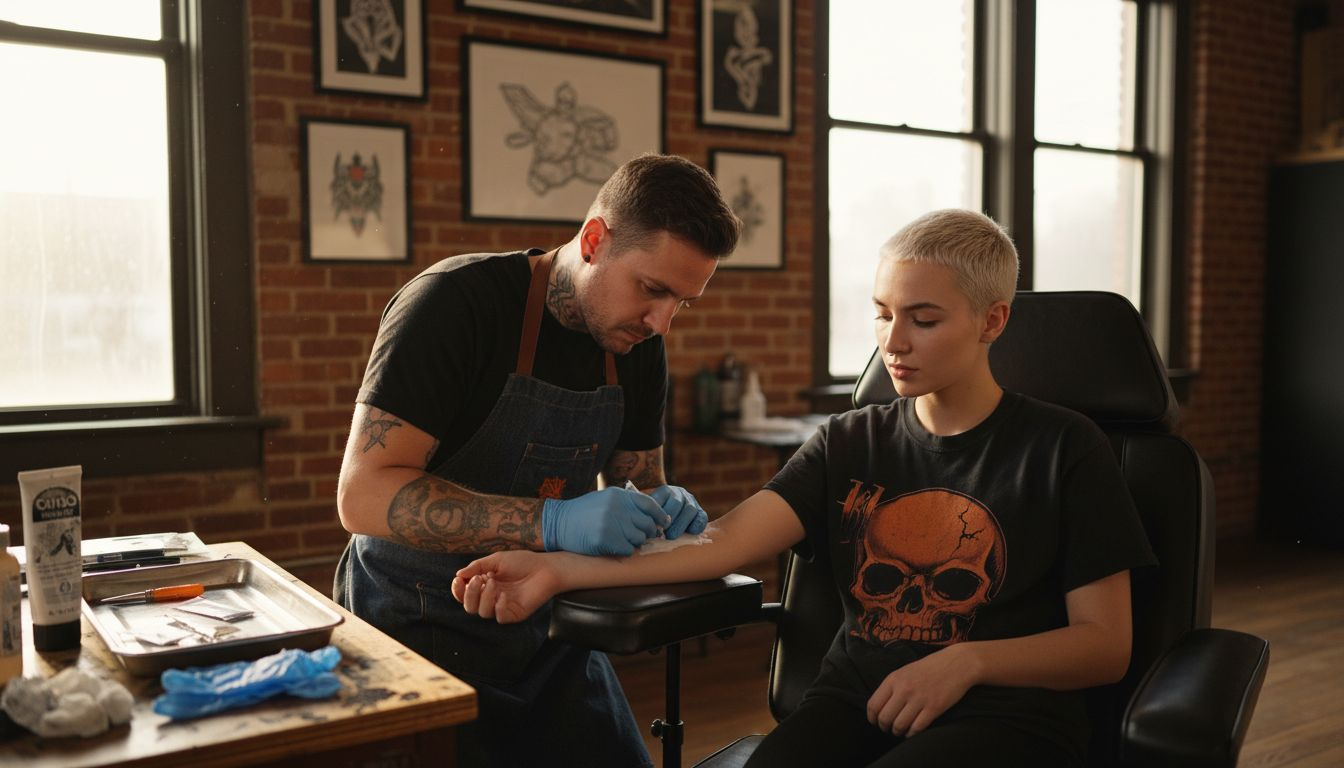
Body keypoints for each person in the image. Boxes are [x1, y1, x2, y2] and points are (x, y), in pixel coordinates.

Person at [450, 209, 1157, 767]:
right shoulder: (850, 440)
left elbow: (1105, 645)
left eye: (924, 318)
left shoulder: (1065, 449)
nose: (893, 341)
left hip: (1006, 714)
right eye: (883, 311)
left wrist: (966, 662)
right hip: (854, 701)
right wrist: (553, 567)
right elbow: (716, 545)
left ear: (992, 320)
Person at [333, 153, 741, 768]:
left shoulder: (637, 344)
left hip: (545, 626)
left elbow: (641, 479)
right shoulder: (455, 305)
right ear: (595, 239)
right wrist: (554, 523)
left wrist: (661, 506)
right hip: (412, 620)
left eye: (682, 302)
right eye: (652, 290)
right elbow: (362, 496)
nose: (661, 321)